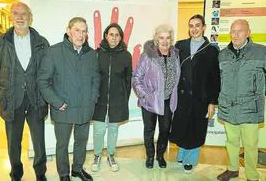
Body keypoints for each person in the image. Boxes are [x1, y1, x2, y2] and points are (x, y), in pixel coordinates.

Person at [37, 17, 100, 181]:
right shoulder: (54, 51)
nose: (81, 34)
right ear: (68, 31)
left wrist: (92, 99)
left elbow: (96, 79)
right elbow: (43, 81)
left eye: (84, 31)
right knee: (62, 145)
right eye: (77, 30)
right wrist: (57, 102)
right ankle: (64, 174)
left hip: (85, 108)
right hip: (63, 108)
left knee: (81, 141)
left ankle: (77, 169)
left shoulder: (91, 54)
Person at [0, 2, 49, 181]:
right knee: (13, 143)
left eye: (24, 14)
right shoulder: (1, 43)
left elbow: (47, 73)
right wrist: (0, 96)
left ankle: (40, 173)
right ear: (11, 17)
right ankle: (16, 173)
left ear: (30, 17)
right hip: (11, 100)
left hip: (36, 100)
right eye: (16, 13)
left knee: (39, 142)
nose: (20, 17)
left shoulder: (42, 43)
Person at [169, 14, 220, 173]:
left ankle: (190, 160)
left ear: (204, 27)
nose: (194, 29)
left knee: (196, 128)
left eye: (197, 25)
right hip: (182, 96)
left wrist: (212, 101)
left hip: (201, 98)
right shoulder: (180, 45)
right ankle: (182, 153)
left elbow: (215, 78)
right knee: (183, 126)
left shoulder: (211, 50)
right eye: (191, 26)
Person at [217, 19, 266, 181]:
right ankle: (232, 169)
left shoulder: (261, 52)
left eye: (240, 31)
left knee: (251, 145)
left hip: (250, 108)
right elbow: (218, 80)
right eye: (232, 31)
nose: (235, 35)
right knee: (231, 141)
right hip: (228, 106)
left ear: (248, 33)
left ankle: (252, 176)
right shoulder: (223, 54)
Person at [132, 24, 180, 169]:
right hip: (150, 102)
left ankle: (160, 155)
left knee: (165, 130)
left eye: (167, 37)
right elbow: (136, 78)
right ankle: (150, 156)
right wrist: (144, 95)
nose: (164, 41)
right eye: (161, 37)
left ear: (171, 39)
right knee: (149, 130)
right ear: (156, 39)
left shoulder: (176, 54)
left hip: (167, 100)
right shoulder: (147, 55)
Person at [91, 23, 132, 172]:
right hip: (99, 101)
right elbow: (92, 78)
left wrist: (124, 98)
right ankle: (96, 155)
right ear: (106, 36)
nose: (114, 38)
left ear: (121, 37)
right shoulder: (97, 53)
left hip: (117, 101)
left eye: (117, 35)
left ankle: (111, 155)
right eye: (111, 34)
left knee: (113, 130)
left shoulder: (126, 56)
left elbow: (128, 81)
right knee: (99, 130)